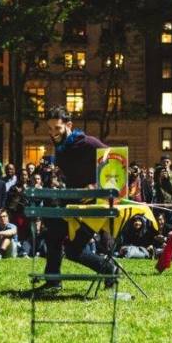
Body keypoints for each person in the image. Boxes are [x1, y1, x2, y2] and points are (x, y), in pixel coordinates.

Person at [33, 106, 118, 293]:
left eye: (57, 128)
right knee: (52, 233)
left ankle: (109, 268)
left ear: (69, 125)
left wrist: (96, 186)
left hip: (95, 206)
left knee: (73, 251)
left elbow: (115, 160)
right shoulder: (60, 147)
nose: (53, 133)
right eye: (50, 128)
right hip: (72, 202)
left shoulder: (87, 142)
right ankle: (53, 281)